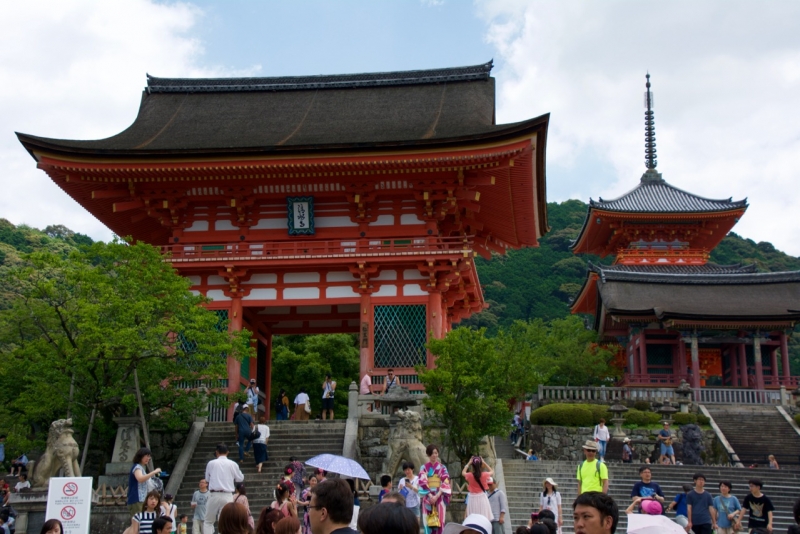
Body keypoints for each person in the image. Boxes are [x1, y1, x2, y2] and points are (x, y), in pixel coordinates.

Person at [204, 443, 245, 534]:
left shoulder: (211, 463)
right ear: (227, 452)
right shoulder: (232, 464)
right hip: (227, 494)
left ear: (217, 452)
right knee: (224, 520)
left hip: (214, 494)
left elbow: (207, 479)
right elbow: (240, 478)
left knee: (208, 521)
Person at [419, 444, 451, 534]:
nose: (434, 455)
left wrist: (436, 496)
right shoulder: (424, 467)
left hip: (439, 496)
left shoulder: (442, 467)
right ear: (428, 454)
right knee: (427, 521)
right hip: (427, 497)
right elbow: (422, 482)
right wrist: (430, 495)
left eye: (436, 453)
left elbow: (446, 481)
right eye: (432, 453)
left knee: (440, 521)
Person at [128, 447, 163, 517]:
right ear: (141, 456)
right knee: (137, 523)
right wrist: (154, 472)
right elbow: (140, 479)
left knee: (136, 524)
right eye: (147, 456)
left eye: (149, 456)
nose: (148, 458)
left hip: (141, 499)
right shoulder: (137, 467)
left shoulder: (141, 468)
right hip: (137, 499)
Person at [462, 455, 494, 521]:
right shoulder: (484, 475)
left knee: (473, 519)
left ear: (472, 465)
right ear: (480, 464)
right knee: (483, 518)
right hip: (482, 497)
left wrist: (468, 463)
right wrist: (484, 462)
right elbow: (492, 471)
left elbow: (463, 473)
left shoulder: (470, 475)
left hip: (472, 498)